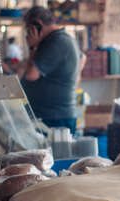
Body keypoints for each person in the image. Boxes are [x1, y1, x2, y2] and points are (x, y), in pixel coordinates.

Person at [20, 6, 83, 134]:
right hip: (54, 115)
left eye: (28, 30)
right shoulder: (61, 38)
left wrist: (32, 47)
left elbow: (30, 75)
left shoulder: (56, 41)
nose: (27, 35)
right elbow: (83, 58)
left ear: (38, 24)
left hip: (54, 117)